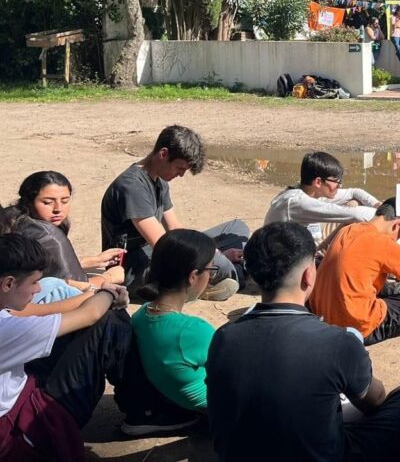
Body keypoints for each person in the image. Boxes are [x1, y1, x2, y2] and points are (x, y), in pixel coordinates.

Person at [206, 222, 400, 462]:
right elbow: (376, 401)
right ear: (310, 275)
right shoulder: (337, 342)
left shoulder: (223, 337)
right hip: (328, 453)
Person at [0, 233, 133, 461]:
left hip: (20, 389)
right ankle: (143, 407)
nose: (38, 290)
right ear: (8, 283)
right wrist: (109, 292)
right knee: (107, 322)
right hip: (19, 429)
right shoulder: (6, 329)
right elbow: (90, 314)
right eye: (33, 282)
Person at [101, 125, 249, 302]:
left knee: (237, 228)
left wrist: (208, 250)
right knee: (222, 263)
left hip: (160, 254)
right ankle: (222, 276)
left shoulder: (159, 180)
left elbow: (175, 228)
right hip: (137, 270)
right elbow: (163, 245)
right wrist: (216, 255)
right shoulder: (132, 186)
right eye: (179, 168)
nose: (181, 175)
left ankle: (204, 279)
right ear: (163, 154)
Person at [308, 200, 400, 344]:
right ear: (398, 225)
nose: (398, 241)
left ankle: (393, 291)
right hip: (359, 326)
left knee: (370, 276)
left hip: (322, 316)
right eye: (399, 237)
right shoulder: (382, 243)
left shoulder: (348, 229)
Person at [129, 230, 217, 425]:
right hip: (217, 408)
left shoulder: (142, 315)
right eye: (211, 270)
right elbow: (237, 369)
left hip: (172, 398)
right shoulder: (193, 331)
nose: (211, 278)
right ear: (193, 276)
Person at [10, 171, 124, 287]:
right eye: (48, 202)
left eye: (65, 201)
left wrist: (94, 260)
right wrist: (108, 277)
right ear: (28, 202)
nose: (58, 209)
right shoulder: (48, 236)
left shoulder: (12, 219)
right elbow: (72, 289)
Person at [265, 152, 381, 245]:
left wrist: (376, 204)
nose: (339, 185)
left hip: (304, 248)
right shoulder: (297, 202)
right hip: (280, 263)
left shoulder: (312, 192)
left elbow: (354, 192)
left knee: (354, 202)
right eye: (336, 181)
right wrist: (387, 213)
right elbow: (355, 214)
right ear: (318, 182)